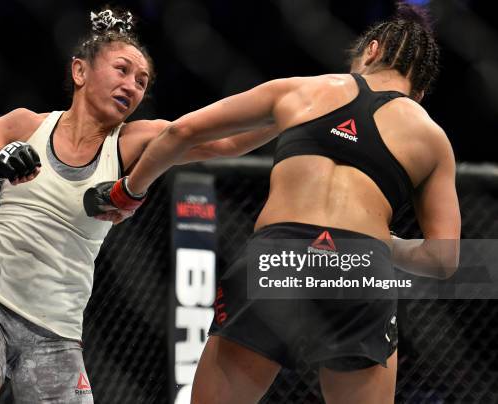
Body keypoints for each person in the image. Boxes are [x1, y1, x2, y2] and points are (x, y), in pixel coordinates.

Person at [87, 2, 461, 403]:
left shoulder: (305, 90)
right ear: (419, 91)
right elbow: (444, 258)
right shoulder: (431, 137)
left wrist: (129, 190)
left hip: (280, 254)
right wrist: (383, 244)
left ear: (370, 51)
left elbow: (183, 131)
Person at [0, 8, 279, 404]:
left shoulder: (133, 142)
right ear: (80, 72)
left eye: (142, 81)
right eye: (122, 70)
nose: (132, 85)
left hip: (57, 336)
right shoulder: (24, 125)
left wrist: (292, 111)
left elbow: (230, 143)